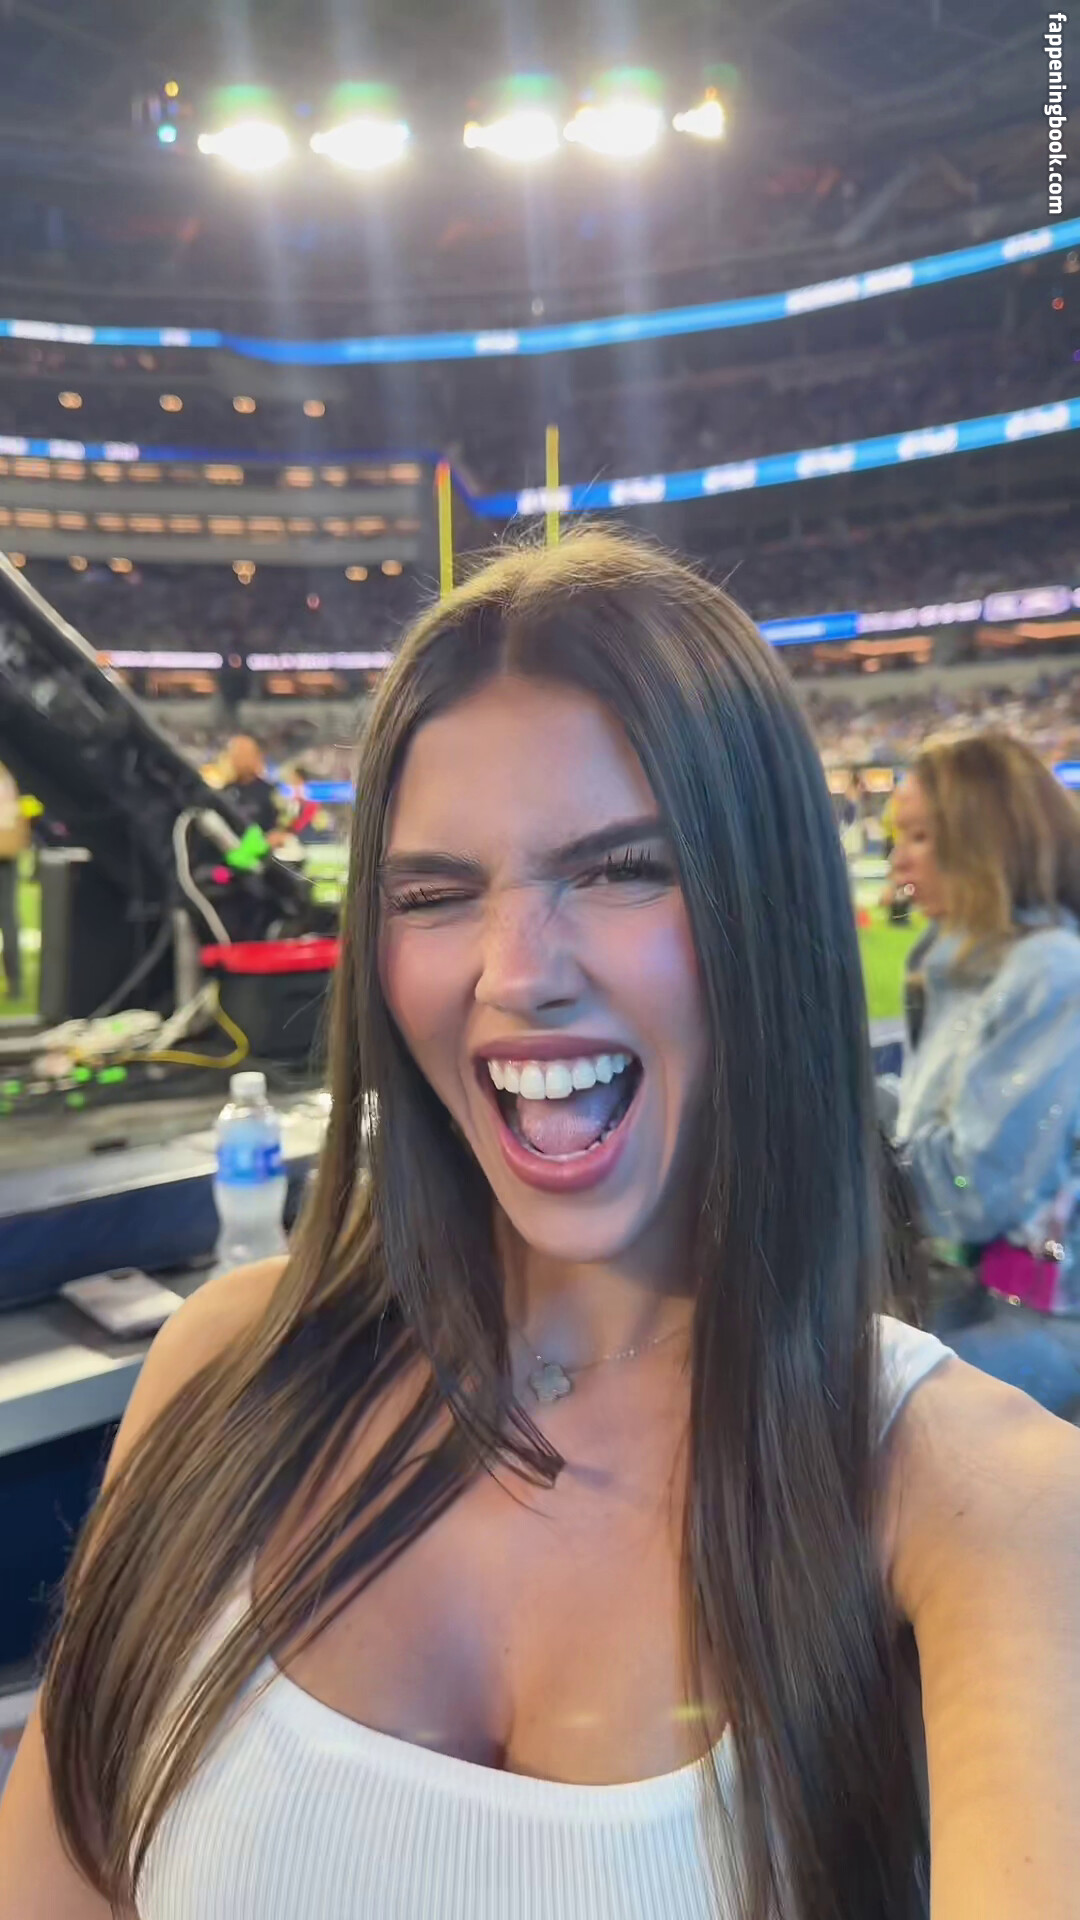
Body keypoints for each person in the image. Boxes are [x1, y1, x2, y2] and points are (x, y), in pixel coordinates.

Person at [3, 534, 1079, 1920]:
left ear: (766, 905)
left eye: (623, 869)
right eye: (434, 894)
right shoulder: (224, 1368)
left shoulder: (975, 1498)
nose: (517, 975)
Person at [889, 734, 1080, 1381]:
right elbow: (930, 1130)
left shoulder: (1048, 971)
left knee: (839, 1393)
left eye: (920, 836)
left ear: (986, 839)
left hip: (1041, 1311)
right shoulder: (951, 958)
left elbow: (976, 1189)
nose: (898, 858)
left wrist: (847, 1145)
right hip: (968, 1286)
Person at [220, 733, 281, 840]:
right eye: (236, 754)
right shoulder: (224, 795)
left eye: (245, 754)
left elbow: (281, 828)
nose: (240, 760)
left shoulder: (270, 792)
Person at [0, 763, 26, 1002]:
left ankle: (16, 982)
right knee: (8, 917)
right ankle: (15, 983)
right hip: (7, 851)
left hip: (5, 852)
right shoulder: (6, 775)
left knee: (8, 918)